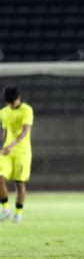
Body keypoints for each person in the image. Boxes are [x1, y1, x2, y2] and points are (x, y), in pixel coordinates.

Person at [0, 87, 34, 223]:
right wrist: (4, 146)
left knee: (19, 184)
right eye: (8, 103)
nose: (10, 105)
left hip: (22, 152)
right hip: (7, 151)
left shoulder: (27, 110)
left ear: (18, 98)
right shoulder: (4, 112)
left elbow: (25, 131)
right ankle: (5, 209)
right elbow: (5, 131)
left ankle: (18, 213)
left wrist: (11, 145)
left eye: (12, 102)